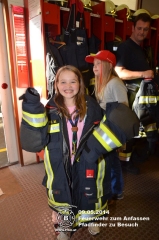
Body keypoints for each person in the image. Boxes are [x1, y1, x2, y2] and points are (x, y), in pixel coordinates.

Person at [19, 65, 139, 240]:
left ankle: (91, 220)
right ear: (56, 84)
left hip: (89, 161)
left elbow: (109, 135)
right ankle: (64, 227)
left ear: (80, 83)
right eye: (63, 82)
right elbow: (36, 141)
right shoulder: (49, 110)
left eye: (73, 81)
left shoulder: (94, 108)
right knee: (63, 195)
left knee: (89, 193)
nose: (68, 86)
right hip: (60, 163)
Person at [115, 13, 157, 174]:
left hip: (141, 97)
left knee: (138, 130)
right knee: (129, 131)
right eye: (139, 28)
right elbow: (119, 72)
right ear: (132, 28)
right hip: (131, 96)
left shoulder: (141, 49)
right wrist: (143, 73)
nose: (142, 32)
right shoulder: (125, 47)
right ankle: (124, 163)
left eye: (145, 29)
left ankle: (131, 159)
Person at [85, 50, 129, 201]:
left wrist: (120, 136)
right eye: (94, 64)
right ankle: (112, 189)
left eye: (99, 63)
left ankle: (116, 191)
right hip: (104, 128)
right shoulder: (101, 83)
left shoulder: (115, 83)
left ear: (109, 65)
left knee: (112, 160)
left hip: (112, 129)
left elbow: (124, 110)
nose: (94, 67)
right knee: (109, 159)